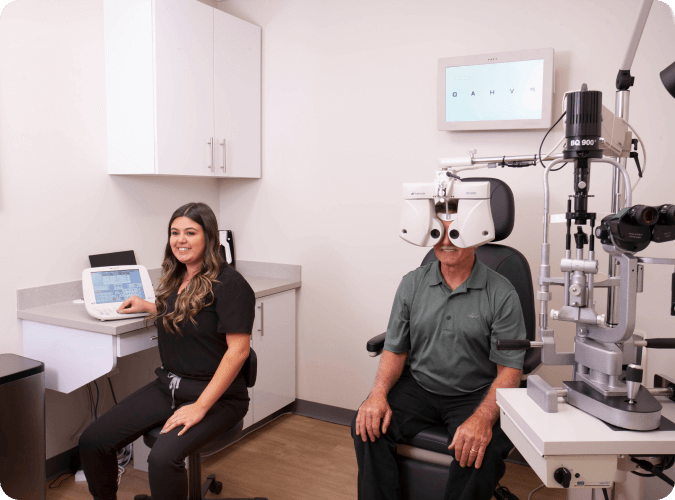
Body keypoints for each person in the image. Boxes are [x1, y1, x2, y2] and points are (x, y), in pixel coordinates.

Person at [79, 202, 255, 500]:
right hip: (170, 387)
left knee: (162, 460)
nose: (180, 240)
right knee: (93, 440)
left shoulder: (231, 284)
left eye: (190, 232)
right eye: (174, 232)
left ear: (209, 238)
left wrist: (199, 407)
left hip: (218, 398)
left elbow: (238, 352)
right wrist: (150, 306)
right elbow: (189, 312)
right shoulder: (179, 278)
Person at [351, 201, 526, 500]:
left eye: (455, 233)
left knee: (477, 450)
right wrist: (376, 394)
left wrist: (482, 418)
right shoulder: (413, 283)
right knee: (367, 428)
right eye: (438, 233)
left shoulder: (501, 292)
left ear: (475, 236)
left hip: (476, 392)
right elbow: (394, 349)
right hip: (419, 386)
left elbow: (510, 369)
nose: (446, 242)